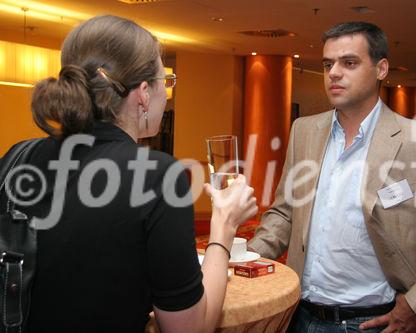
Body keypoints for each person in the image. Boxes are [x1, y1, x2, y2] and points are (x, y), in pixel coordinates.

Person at [1, 15, 257, 333]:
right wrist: (223, 229)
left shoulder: (17, 156)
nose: (167, 94)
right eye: (167, 81)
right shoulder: (157, 177)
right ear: (145, 93)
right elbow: (189, 328)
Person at [248, 22, 416, 333]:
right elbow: (285, 212)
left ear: (381, 69)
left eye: (349, 63)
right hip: (301, 316)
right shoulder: (304, 131)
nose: (334, 72)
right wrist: (246, 258)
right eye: (328, 64)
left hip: (377, 322)